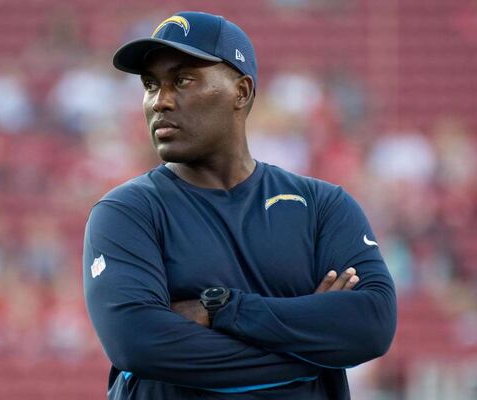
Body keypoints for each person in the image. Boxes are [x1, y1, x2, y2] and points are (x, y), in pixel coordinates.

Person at [83, 11, 396, 400]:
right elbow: (139, 344)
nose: (159, 101)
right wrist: (312, 354)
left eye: (182, 80)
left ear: (242, 92)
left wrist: (222, 309)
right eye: (150, 85)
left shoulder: (322, 206)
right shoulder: (127, 212)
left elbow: (372, 324)